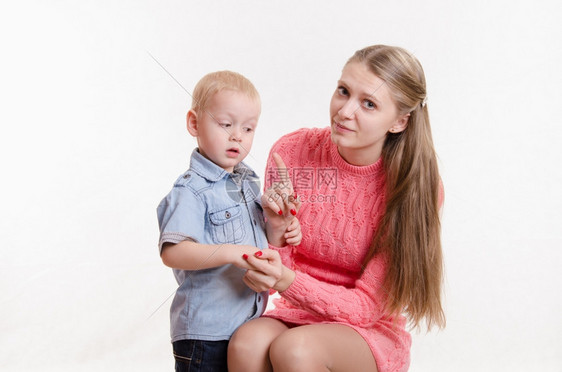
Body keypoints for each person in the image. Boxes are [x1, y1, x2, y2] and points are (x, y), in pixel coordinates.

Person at [227, 45, 445, 372]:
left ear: (400, 122)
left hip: (367, 329)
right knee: (247, 342)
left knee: (295, 350)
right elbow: (273, 277)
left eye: (368, 104)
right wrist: (274, 234)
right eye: (343, 91)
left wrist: (286, 279)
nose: (344, 111)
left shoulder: (415, 188)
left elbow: (364, 308)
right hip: (297, 310)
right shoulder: (293, 152)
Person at [156, 70, 302, 372]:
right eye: (226, 125)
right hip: (205, 334)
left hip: (246, 327)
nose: (238, 135)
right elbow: (173, 252)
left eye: (248, 129)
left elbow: (258, 247)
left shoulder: (246, 183)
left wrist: (278, 229)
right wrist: (231, 253)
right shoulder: (191, 190)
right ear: (194, 123)